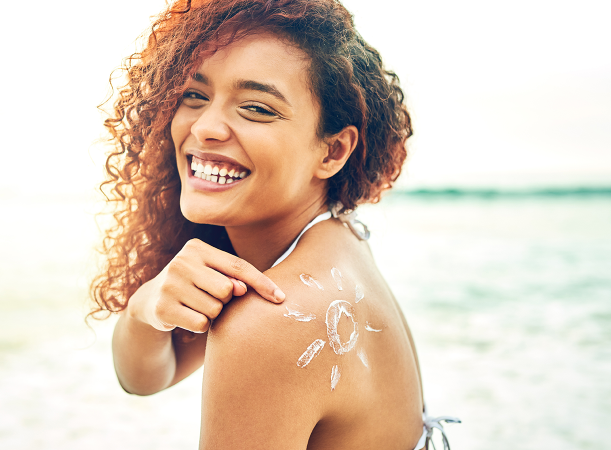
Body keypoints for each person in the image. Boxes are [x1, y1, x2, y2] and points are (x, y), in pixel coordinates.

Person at [90, 0, 459, 448]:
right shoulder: (338, 237)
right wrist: (146, 305)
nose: (206, 126)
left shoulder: (270, 324)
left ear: (333, 151)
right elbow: (146, 376)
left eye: (257, 108)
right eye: (195, 95)